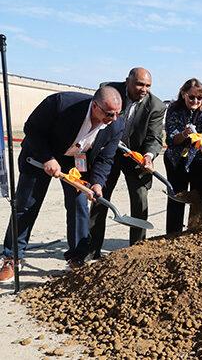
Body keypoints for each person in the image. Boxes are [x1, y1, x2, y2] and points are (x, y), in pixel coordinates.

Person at [0, 87, 124, 281]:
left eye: (118, 113)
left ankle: (77, 257)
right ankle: (12, 257)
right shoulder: (61, 104)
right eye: (109, 114)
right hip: (40, 155)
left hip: (75, 160)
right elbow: (32, 129)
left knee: (78, 205)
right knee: (26, 206)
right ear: (95, 106)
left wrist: (97, 183)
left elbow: (105, 159)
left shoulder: (115, 126)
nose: (114, 118)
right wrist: (47, 158)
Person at [89, 68, 165, 259]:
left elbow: (154, 137)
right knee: (100, 198)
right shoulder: (109, 92)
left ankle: (137, 249)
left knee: (140, 199)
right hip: (108, 153)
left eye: (148, 85)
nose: (144, 89)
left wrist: (148, 156)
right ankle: (91, 248)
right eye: (139, 84)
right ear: (127, 82)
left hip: (135, 157)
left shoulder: (156, 106)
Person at [163, 78, 202, 233]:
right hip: (176, 160)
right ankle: (173, 235)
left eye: (199, 98)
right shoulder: (174, 110)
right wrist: (184, 134)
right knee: (176, 198)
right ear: (183, 94)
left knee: (199, 201)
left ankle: (194, 235)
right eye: (191, 97)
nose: (195, 101)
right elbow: (172, 138)